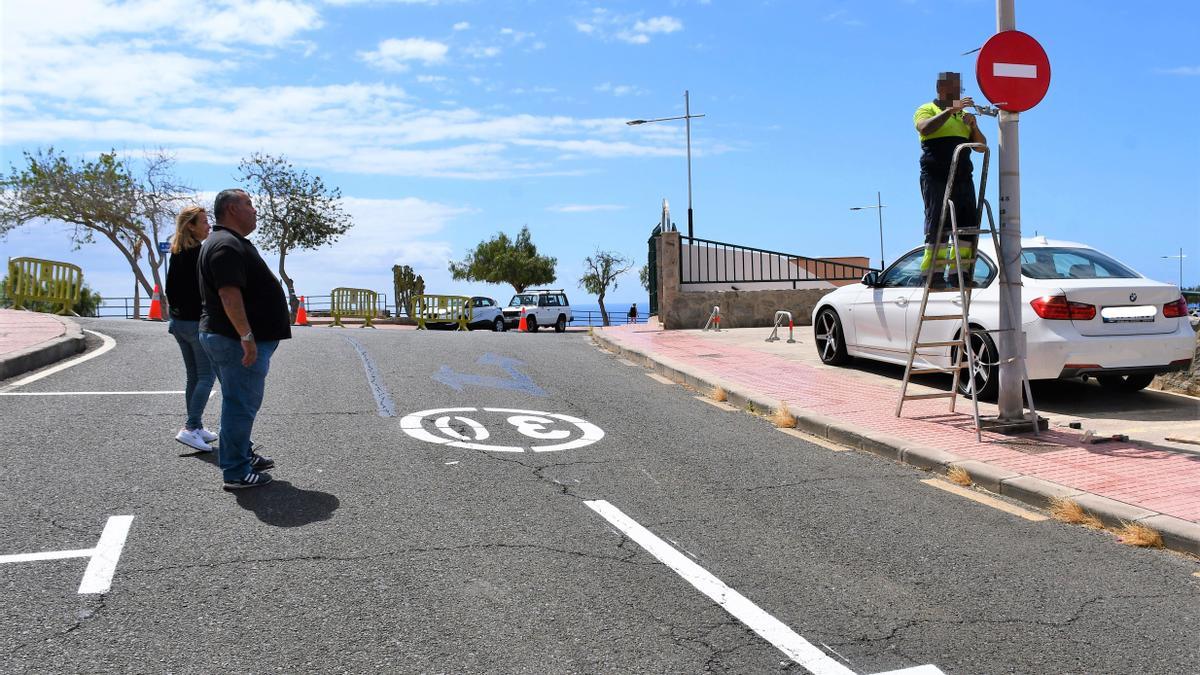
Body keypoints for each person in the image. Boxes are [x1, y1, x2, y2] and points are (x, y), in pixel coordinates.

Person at [198, 189, 291, 490]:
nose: (255, 211)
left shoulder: (226, 242)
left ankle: (241, 456)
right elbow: (229, 294)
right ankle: (236, 471)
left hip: (227, 337)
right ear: (231, 210)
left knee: (236, 402)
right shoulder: (226, 244)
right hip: (235, 340)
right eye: (249, 205)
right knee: (240, 405)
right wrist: (247, 336)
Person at [914, 71, 987, 281]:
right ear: (941, 88)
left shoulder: (962, 117)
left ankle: (959, 273)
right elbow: (925, 128)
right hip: (937, 177)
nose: (958, 92)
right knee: (938, 222)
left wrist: (973, 126)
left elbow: (981, 147)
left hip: (963, 177)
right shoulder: (927, 109)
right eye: (954, 89)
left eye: (960, 89)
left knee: (967, 225)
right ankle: (932, 275)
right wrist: (949, 111)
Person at [166, 206, 218, 452]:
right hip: (196, 323)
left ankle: (196, 427)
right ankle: (190, 427)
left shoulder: (177, 251)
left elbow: (170, 290)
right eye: (205, 222)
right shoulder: (200, 252)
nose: (209, 226)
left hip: (178, 323)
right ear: (191, 226)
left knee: (194, 376)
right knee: (207, 377)